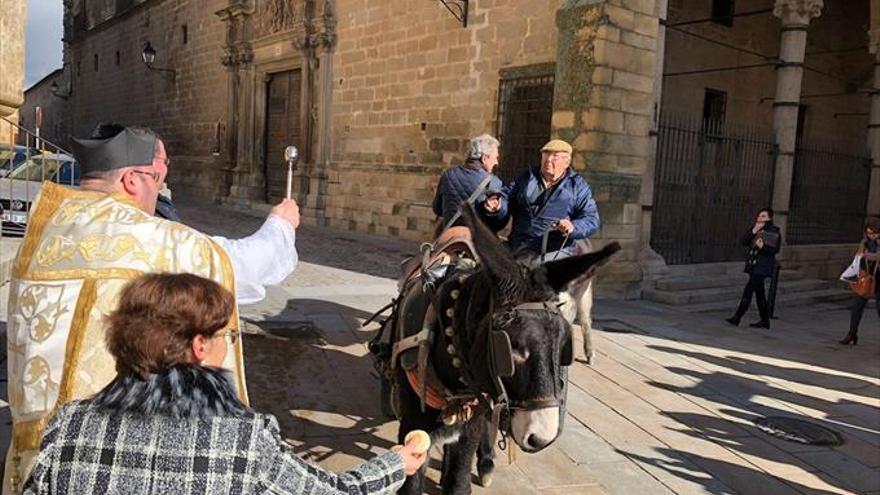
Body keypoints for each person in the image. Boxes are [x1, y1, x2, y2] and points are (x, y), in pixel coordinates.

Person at [3, 125, 297, 492]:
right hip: (120, 459)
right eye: (158, 179)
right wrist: (280, 225)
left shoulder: (42, 233)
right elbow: (248, 266)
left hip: (41, 454)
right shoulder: (162, 242)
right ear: (131, 179)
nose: (160, 189)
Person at [21, 273, 426, 494]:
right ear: (200, 346)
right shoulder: (244, 440)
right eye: (226, 336)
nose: (227, 346)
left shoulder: (68, 427)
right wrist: (396, 464)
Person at [485, 139, 600, 260]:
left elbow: (591, 219)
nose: (548, 160)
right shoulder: (525, 178)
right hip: (519, 246)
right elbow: (506, 198)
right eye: (546, 155)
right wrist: (498, 206)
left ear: (567, 162)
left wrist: (573, 227)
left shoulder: (577, 186)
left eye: (555, 156)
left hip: (555, 251)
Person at [432, 133, 503, 234]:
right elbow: (499, 223)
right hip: (478, 242)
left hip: (451, 238)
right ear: (484, 158)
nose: (496, 162)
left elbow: (437, 209)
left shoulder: (448, 175)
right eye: (495, 158)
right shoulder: (494, 182)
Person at [725, 208, 781, 329]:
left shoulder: (774, 231)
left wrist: (763, 247)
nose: (760, 218)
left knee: (748, 290)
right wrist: (754, 230)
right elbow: (744, 241)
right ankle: (765, 320)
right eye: (759, 216)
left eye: (763, 216)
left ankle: (737, 317)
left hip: (762, 267)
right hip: (754, 265)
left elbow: (774, 250)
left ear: (769, 218)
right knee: (760, 294)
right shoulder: (756, 229)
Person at [839, 217, 880, 345]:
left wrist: (867, 255)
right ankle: (852, 333)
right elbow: (858, 255)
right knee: (857, 306)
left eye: (874, 233)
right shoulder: (864, 242)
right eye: (869, 233)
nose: (871, 236)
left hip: (879, 277)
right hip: (865, 276)